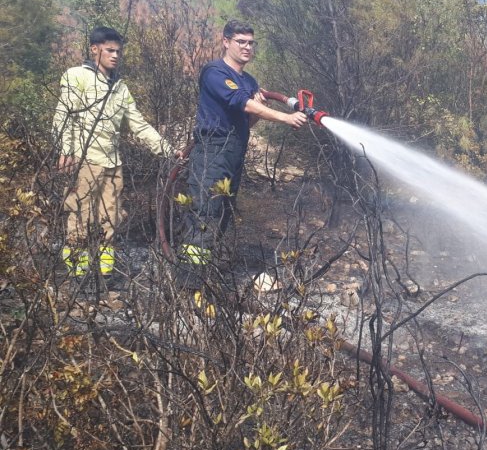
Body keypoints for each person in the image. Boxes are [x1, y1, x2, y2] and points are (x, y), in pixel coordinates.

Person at [178, 20, 306, 280]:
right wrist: (286, 117)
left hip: (234, 153)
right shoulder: (214, 72)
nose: (247, 47)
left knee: (222, 215)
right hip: (212, 152)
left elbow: (246, 121)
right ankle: (189, 284)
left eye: (251, 43)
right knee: (204, 214)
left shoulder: (248, 81)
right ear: (226, 42)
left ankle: (208, 278)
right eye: (241, 42)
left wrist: (258, 111)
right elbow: (239, 101)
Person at [53, 26, 180, 280]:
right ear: (94, 49)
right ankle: (77, 275)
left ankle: (105, 274)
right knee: (80, 216)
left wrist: (168, 150)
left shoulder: (120, 87)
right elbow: (63, 115)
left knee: (110, 218)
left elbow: (138, 124)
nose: (115, 56)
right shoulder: (77, 76)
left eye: (118, 51)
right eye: (109, 50)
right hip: (84, 160)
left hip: (112, 164)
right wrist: (66, 150)